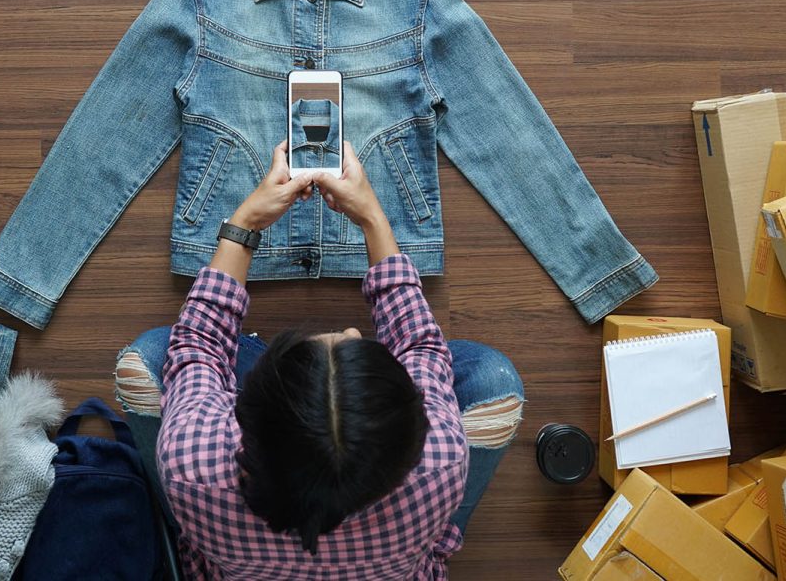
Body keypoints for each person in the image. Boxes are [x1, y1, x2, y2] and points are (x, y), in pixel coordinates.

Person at [115, 142, 524, 579]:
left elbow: (196, 346)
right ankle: (442, 526)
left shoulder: (192, 464)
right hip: (412, 527)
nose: (349, 330)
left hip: (216, 528)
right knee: (493, 379)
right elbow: (420, 347)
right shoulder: (439, 461)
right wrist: (372, 218)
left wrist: (246, 221)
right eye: (351, 340)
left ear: (243, 419)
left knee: (153, 354)